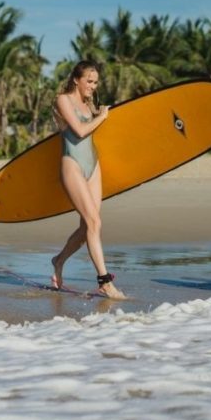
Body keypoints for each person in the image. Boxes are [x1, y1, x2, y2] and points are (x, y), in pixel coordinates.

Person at [49, 60, 126, 299]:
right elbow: (80, 132)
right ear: (76, 79)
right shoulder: (64, 100)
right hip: (72, 165)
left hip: (93, 165)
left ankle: (59, 260)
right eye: (89, 81)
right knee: (94, 223)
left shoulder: (89, 104)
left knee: (88, 226)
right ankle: (104, 281)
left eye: (95, 82)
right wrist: (101, 116)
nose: (93, 86)